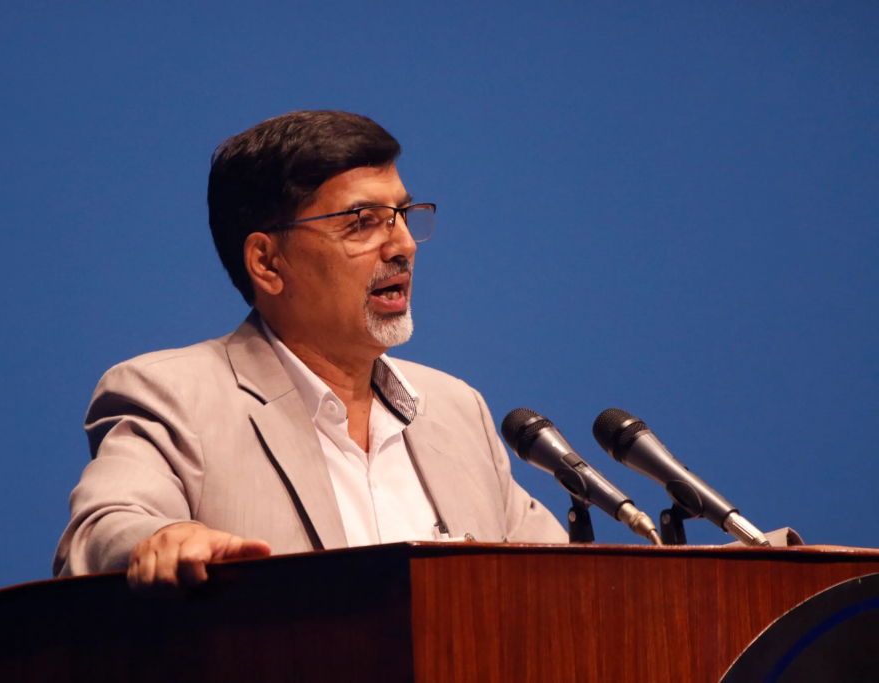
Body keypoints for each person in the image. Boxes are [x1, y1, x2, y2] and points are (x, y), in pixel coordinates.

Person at [54, 110, 567, 591]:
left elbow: (561, 575)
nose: (404, 245)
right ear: (267, 263)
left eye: (403, 214)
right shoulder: (175, 396)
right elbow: (99, 531)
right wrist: (162, 539)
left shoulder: (456, 410)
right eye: (363, 221)